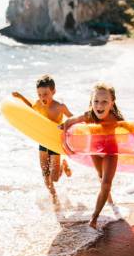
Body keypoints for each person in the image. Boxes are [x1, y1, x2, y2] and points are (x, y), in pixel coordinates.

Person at [60, 82, 123, 229]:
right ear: (91, 102)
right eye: (96, 101)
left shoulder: (116, 119)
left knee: (106, 183)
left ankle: (94, 217)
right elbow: (70, 121)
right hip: (95, 150)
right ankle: (109, 198)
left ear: (112, 103)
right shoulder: (89, 116)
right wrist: (65, 141)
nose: (99, 106)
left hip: (110, 152)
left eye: (104, 102)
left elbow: (133, 132)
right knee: (101, 177)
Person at [12, 75, 73, 205]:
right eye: (39, 94)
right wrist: (20, 97)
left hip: (55, 141)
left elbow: (72, 118)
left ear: (53, 92)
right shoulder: (38, 104)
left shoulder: (60, 107)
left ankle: (63, 165)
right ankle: (54, 197)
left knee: (54, 177)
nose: (42, 97)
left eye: (45, 94)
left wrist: (68, 126)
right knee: (45, 173)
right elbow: (29, 108)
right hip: (43, 140)